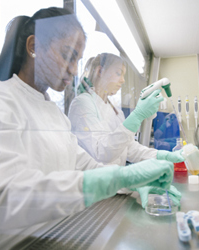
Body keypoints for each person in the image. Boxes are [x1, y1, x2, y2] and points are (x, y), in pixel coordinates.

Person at [0, 8, 174, 249]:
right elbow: (3, 197)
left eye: (78, 60)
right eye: (68, 55)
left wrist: (133, 183)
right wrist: (118, 177)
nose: (74, 69)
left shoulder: (55, 116)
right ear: (34, 46)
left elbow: (87, 167)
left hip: (52, 236)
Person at [68, 53, 185, 208]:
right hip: (92, 196)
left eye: (123, 75)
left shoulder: (114, 109)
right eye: (118, 73)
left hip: (115, 192)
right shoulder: (82, 104)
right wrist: (137, 116)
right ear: (100, 71)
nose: (122, 80)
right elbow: (101, 152)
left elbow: (129, 148)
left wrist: (163, 156)